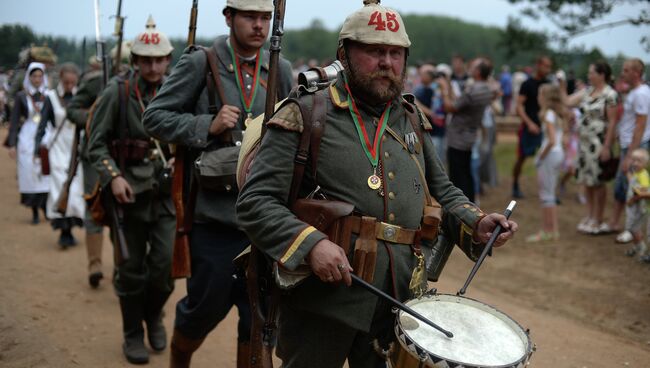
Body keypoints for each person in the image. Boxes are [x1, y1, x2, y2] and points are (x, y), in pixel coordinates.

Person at [236, 2, 517, 367]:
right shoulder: (306, 112)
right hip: (324, 301)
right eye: (374, 51)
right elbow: (255, 202)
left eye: (395, 53)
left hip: (400, 302)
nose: (387, 62)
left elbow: (441, 191)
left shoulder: (410, 118)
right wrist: (312, 246)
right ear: (344, 54)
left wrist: (477, 222)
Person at [142, 1, 293, 366]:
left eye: (264, 18)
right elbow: (154, 118)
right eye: (250, 17)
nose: (259, 26)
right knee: (203, 309)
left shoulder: (281, 68)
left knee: (260, 323)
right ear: (229, 17)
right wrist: (204, 127)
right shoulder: (201, 62)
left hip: (265, 221)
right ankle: (180, 356)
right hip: (215, 218)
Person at [87, 16, 175, 364]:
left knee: (165, 270)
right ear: (135, 61)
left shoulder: (176, 90)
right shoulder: (118, 91)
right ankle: (131, 333)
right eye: (146, 60)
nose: (153, 67)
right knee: (130, 270)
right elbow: (94, 145)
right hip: (128, 197)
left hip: (166, 195)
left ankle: (153, 315)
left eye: (159, 60)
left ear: (168, 60)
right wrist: (113, 177)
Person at [67, 41, 132, 288]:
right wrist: (95, 117)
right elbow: (73, 110)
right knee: (93, 206)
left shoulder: (134, 85)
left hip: (124, 157)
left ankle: (120, 268)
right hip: (94, 156)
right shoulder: (96, 82)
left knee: (120, 211)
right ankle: (94, 264)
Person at [563, 61, 618, 234]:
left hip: (599, 143)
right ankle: (589, 215)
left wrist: (607, 147)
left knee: (598, 181)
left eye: (591, 72)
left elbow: (613, 122)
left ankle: (598, 217)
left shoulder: (610, 94)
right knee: (587, 180)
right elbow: (567, 101)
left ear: (602, 74)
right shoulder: (586, 91)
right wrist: (561, 84)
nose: (589, 75)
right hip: (584, 143)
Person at [35, 63, 84, 247]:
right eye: (66, 81)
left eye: (73, 82)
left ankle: (71, 228)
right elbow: (42, 125)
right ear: (61, 79)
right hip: (58, 149)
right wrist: (36, 150)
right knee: (59, 188)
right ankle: (64, 231)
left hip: (76, 147)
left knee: (75, 190)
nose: (70, 85)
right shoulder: (51, 98)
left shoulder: (82, 96)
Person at [438, 57, 494, 202]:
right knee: (467, 173)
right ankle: (470, 204)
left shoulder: (473, 90)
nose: (470, 68)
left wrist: (444, 90)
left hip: (458, 138)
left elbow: (450, 107)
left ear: (478, 72)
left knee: (458, 175)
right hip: (470, 135)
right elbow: (460, 102)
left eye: (474, 66)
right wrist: (450, 85)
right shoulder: (485, 89)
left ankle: (460, 206)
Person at [608, 59, 650, 243]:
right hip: (629, 145)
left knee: (633, 189)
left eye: (626, 70)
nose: (622, 73)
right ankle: (623, 226)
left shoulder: (641, 94)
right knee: (624, 187)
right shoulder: (635, 92)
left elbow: (641, 124)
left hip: (635, 148)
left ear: (636, 72)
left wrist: (631, 155)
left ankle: (632, 229)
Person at [4, 62, 51, 224]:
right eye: (34, 76)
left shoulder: (49, 95)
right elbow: (15, 119)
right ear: (29, 77)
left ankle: (46, 207)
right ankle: (34, 211)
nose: (37, 79)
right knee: (29, 172)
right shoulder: (21, 96)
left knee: (46, 171)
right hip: (27, 137)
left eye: (40, 76)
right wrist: (12, 144)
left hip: (46, 136)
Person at [526, 84, 566, 242]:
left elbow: (551, 140)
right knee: (549, 193)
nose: (538, 97)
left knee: (546, 194)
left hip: (550, 155)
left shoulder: (549, 114)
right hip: (557, 154)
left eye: (540, 94)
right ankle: (552, 230)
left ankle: (547, 230)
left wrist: (540, 157)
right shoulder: (556, 113)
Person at [512, 56, 553, 198]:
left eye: (549, 67)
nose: (548, 70)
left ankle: (548, 189)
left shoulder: (548, 84)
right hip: (529, 128)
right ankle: (515, 185)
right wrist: (529, 123)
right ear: (538, 65)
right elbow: (519, 106)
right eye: (546, 66)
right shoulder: (527, 84)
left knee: (547, 159)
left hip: (545, 128)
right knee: (521, 158)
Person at [622, 148, 650, 262]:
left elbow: (645, 192)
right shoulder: (637, 173)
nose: (635, 163)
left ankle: (641, 247)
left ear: (646, 163)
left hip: (639, 207)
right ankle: (638, 247)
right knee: (633, 227)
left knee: (632, 227)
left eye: (638, 161)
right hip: (634, 206)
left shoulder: (643, 175)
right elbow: (633, 183)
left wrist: (633, 199)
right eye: (633, 160)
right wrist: (628, 174)